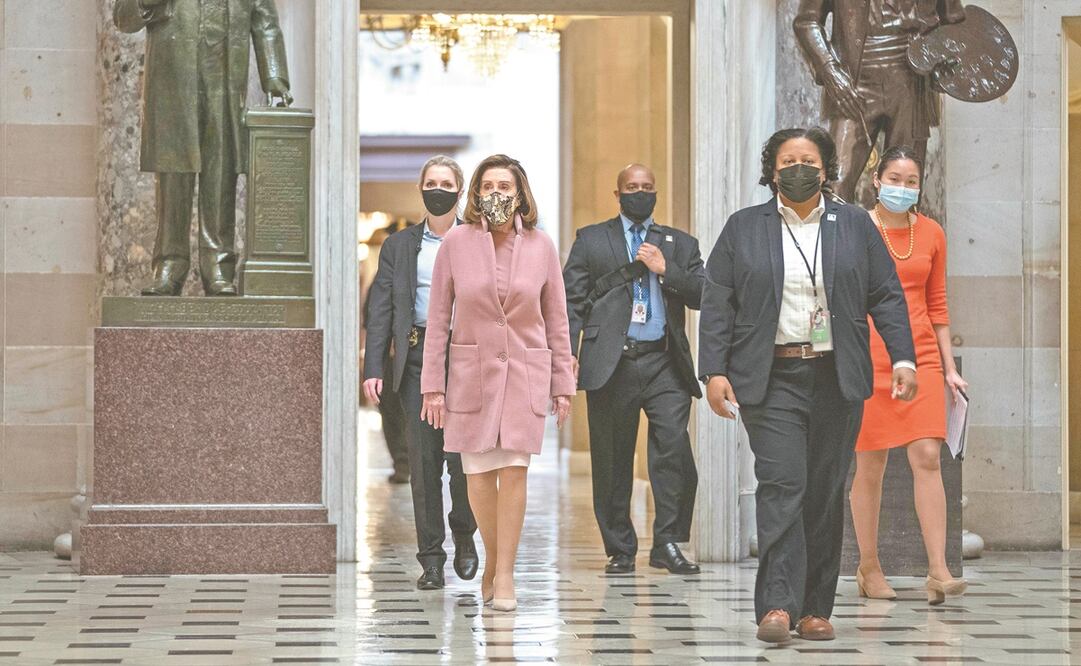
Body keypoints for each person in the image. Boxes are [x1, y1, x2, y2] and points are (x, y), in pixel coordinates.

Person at [699, 128, 917, 644]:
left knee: (822, 491)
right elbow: (717, 303)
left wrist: (903, 356)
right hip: (770, 376)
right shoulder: (743, 228)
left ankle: (816, 607)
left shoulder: (855, 225)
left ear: (826, 169)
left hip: (835, 376)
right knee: (782, 484)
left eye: (808, 160)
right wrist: (714, 371)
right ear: (772, 170)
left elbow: (885, 294)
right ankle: (776, 604)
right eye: (787, 160)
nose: (798, 168)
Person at [420, 155, 575, 612]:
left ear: (520, 193)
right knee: (479, 477)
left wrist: (562, 382)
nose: (496, 195)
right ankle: (491, 559)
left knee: (514, 471)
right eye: (487, 186)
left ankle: (504, 572)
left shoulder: (542, 246)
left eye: (504, 186)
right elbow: (436, 320)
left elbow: (557, 319)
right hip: (473, 374)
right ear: (476, 194)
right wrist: (433, 385)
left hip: (526, 373)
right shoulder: (455, 244)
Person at [563, 164, 705, 576]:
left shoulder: (680, 244)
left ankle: (668, 542)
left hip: (665, 361)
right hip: (612, 361)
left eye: (646, 188)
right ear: (618, 193)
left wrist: (667, 270)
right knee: (612, 458)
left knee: (673, 450)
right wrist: (566, 352)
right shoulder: (591, 241)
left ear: (655, 193)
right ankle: (620, 547)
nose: (639, 193)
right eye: (631, 188)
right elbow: (571, 302)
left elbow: (704, 293)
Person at [849, 146, 968, 605]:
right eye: (894, 178)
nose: (903, 187)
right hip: (870, 355)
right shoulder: (858, 228)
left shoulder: (932, 233)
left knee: (927, 456)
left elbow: (937, 305)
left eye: (911, 180)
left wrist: (950, 368)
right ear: (876, 181)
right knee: (871, 463)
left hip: (922, 357)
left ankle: (938, 568)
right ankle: (869, 564)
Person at [114, 0, 293, 295]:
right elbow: (123, 18)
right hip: (174, 79)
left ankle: (219, 267)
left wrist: (274, 78)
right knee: (173, 176)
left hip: (224, 79)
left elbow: (265, 22)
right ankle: (168, 266)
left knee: (221, 175)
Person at [363, 156, 478, 591]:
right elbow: (381, 310)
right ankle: (431, 558)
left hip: (465, 361)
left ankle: (465, 534)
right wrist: (375, 366)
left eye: (446, 182)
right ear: (421, 189)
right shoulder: (399, 246)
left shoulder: (476, 240)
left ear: (460, 190)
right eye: (430, 182)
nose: (437, 188)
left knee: (463, 461)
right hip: (414, 361)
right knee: (425, 465)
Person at [793, 0, 966, 202]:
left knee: (903, 188)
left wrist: (942, 61)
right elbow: (806, 22)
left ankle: (898, 234)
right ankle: (836, 232)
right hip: (855, 81)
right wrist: (829, 70)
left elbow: (955, 24)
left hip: (912, 81)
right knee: (835, 182)